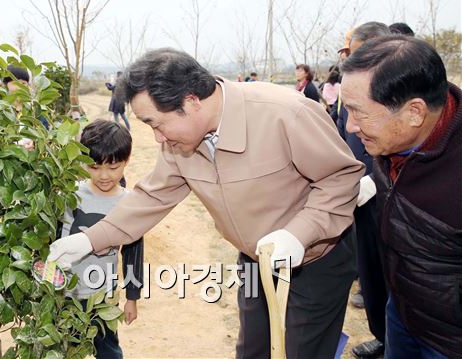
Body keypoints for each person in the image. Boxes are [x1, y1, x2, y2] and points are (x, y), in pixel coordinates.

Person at [48, 48, 365, 358]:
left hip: (317, 261)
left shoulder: (286, 113)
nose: (157, 137)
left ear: (191, 101)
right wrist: (90, 239)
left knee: (302, 352)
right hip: (256, 263)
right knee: (252, 350)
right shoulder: (178, 145)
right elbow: (151, 197)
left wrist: (299, 233)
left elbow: (341, 178)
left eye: (156, 123)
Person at [341, 35, 462, 359]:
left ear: (414, 112)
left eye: (358, 113)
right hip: (402, 310)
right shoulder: (392, 142)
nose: (350, 126)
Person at [60, 119, 144, 358]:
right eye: (95, 167)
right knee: (65, 349)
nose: (104, 176)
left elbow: (133, 252)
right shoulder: (71, 195)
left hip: (103, 297)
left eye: (113, 167)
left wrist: (132, 297)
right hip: (65, 295)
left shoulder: (128, 204)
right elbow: (57, 237)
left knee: (108, 351)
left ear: (126, 161)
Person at [336, 21, 391, 359]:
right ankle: (382, 334)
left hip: (386, 195)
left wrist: (377, 180)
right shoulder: (352, 89)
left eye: (355, 52)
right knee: (369, 270)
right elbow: (347, 135)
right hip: (360, 197)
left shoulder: (396, 87)